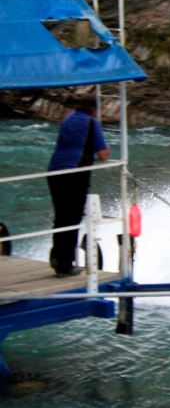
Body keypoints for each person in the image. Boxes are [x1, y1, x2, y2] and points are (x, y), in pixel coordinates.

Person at [47, 94, 109, 277]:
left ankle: (57, 257)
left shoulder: (67, 119)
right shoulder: (91, 122)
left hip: (54, 172)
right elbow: (103, 154)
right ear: (93, 110)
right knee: (72, 218)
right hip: (74, 174)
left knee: (60, 217)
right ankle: (65, 265)